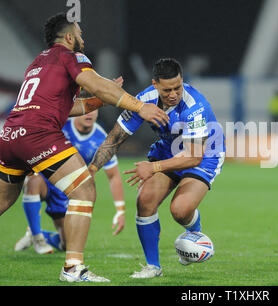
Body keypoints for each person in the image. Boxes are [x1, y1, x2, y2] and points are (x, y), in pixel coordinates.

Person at [0, 13, 169, 282]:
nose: (82, 37)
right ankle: (73, 268)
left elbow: (68, 107)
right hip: (38, 135)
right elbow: (95, 84)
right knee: (84, 190)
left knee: (4, 200)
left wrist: (101, 99)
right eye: (79, 33)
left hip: (10, 136)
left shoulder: (38, 63)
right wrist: (140, 106)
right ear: (69, 37)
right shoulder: (72, 57)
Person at [89, 58, 225, 279]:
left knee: (180, 210)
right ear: (155, 85)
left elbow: (192, 157)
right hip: (168, 149)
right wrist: (92, 171)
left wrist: (153, 167)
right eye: (167, 89)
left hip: (204, 153)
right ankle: (153, 267)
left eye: (178, 87)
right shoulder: (143, 101)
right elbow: (114, 138)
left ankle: (195, 234)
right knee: (145, 201)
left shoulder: (195, 106)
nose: (173, 94)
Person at [14, 109, 126, 254]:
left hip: (67, 190)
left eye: (94, 109)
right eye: (87, 108)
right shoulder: (60, 125)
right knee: (32, 181)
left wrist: (120, 210)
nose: (89, 113)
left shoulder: (101, 138)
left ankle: (41, 235)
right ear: (77, 108)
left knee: (66, 244)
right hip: (45, 181)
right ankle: (37, 238)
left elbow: (113, 176)